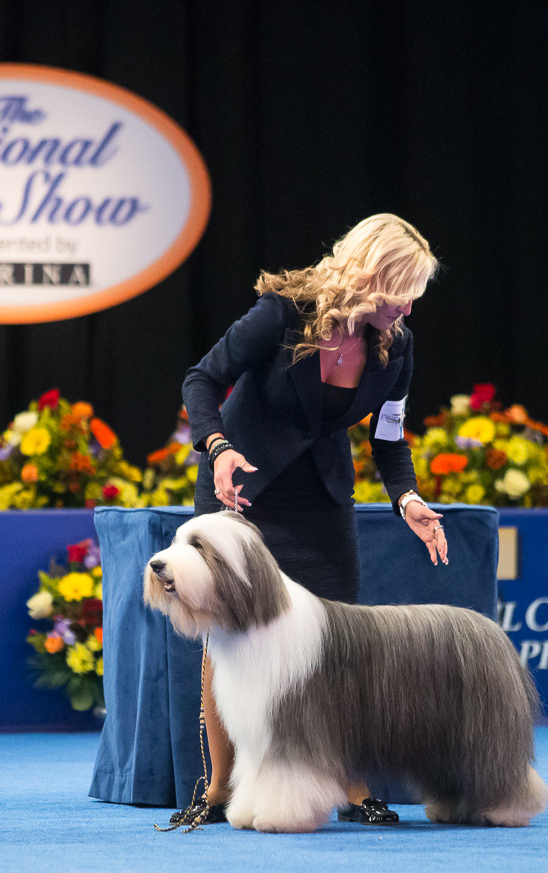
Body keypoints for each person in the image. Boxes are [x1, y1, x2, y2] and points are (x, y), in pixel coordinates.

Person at [177, 213, 447, 826]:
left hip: (321, 500)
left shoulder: (396, 345)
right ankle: (219, 789)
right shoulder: (282, 312)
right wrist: (217, 450)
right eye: (403, 295)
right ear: (373, 276)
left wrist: (408, 500)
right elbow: (202, 378)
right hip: (241, 490)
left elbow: (390, 438)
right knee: (229, 639)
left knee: (339, 648)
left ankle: (349, 787)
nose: (407, 311)